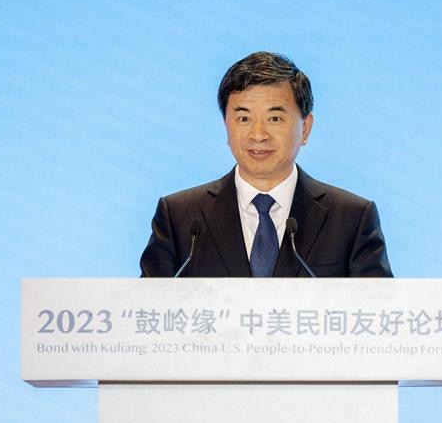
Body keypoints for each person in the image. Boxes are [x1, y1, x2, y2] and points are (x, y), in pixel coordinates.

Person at [140, 51, 392, 278]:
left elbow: (378, 309)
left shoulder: (352, 218)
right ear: (226, 126)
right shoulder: (180, 217)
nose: (258, 135)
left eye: (275, 118)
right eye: (244, 118)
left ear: (305, 128)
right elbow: (145, 308)